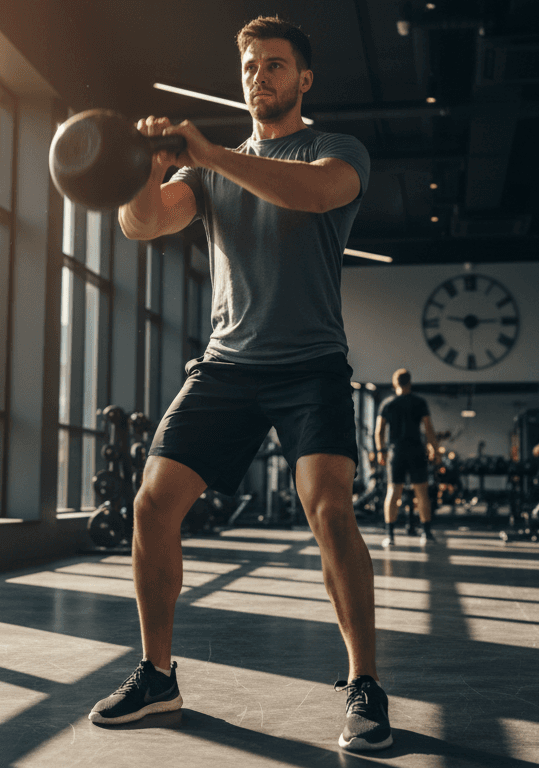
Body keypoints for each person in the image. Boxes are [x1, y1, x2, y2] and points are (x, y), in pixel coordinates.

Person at [86, 16, 390, 752]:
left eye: (277, 66)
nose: (262, 77)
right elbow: (142, 224)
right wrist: (148, 166)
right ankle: (158, 677)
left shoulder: (335, 151)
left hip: (310, 362)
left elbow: (312, 196)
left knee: (329, 510)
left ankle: (365, 686)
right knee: (153, 504)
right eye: (252, 66)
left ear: (304, 79)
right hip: (228, 363)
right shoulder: (211, 169)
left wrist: (213, 153)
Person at [373, 369, 439, 547]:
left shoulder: (388, 403)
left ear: (395, 383)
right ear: (410, 382)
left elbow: (379, 431)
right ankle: (426, 533)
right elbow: (429, 429)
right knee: (422, 493)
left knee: (393, 492)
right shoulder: (419, 402)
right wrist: (435, 449)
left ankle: (390, 536)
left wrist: (381, 451)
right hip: (416, 451)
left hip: (396, 452)